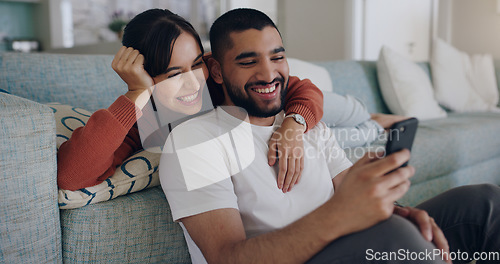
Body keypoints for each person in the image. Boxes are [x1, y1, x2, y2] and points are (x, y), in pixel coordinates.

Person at [160, 8, 500, 264]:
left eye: (277, 57)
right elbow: (226, 257)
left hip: (350, 242)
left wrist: (398, 210)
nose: (269, 73)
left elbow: (352, 191)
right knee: (395, 237)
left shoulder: (306, 124)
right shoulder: (195, 141)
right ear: (216, 70)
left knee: (483, 203)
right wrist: (341, 216)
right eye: (248, 62)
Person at [56, 8, 325, 192]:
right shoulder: (144, 118)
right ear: (145, 77)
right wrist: (135, 94)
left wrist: (295, 123)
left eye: (197, 64)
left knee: (347, 110)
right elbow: (71, 176)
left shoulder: (215, 75)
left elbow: (303, 89)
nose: (194, 82)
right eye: (174, 74)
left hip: (282, 97)